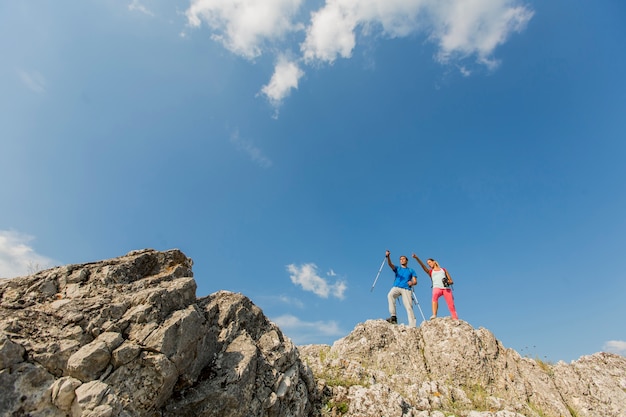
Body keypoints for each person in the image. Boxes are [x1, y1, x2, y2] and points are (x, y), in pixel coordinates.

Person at [412, 254, 458, 320]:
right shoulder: (430, 271)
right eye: (428, 264)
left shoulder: (443, 270)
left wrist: (448, 282)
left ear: (434, 262)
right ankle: (434, 315)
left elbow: (451, 280)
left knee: (451, 303)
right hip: (436, 287)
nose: (429, 264)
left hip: (446, 288)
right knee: (434, 297)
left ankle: (455, 317)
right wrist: (417, 258)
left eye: (430, 262)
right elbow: (423, 266)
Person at [384, 250, 417, 327]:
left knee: (409, 306)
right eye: (400, 259)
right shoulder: (397, 268)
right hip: (396, 287)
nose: (402, 260)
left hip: (406, 288)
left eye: (403, 259)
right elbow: (390, 264)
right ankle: (393, 317)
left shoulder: (411, 270)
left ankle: (412, 325)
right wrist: (388, 257)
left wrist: (412, 283)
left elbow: (415, 281)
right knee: (390, 295)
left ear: (407, 261)